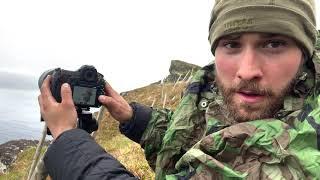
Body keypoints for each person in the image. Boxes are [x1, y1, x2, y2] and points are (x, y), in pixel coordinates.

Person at [38, 0, 320, 179]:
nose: (247, 70)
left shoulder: (300, 153)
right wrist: (132, 117)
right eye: (232, 44)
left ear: (304, 54)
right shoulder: (215, 89)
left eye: (273, 44)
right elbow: (197, 141)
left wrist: (67, 138)